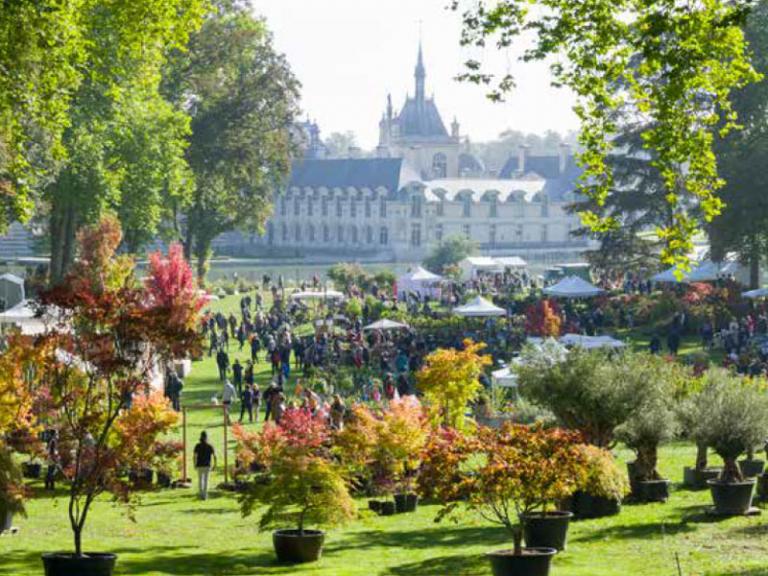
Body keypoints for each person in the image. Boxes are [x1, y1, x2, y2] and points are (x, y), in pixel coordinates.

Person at [193, 431, 216, 500]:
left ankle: (201, 494)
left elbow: (195, 456)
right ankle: (205, 495)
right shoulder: (210, 446)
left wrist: (194, 464)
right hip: (207, 465)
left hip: (199, 465)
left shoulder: (197, 446)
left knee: (200, 480)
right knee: (206, 480)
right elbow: (214, 456)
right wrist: (215, 464)